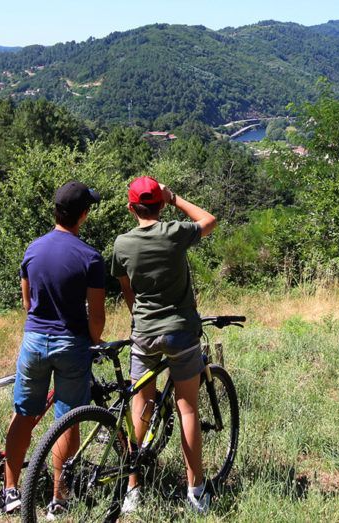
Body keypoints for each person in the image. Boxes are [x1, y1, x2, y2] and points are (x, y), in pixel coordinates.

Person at [0, 181, 106, 518]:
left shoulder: (33, 249)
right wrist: (95, 340)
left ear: (56, 211)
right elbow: (97, 318)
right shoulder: (90, 257)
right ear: (84, 215)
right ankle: (58, 497)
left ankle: (11, 489)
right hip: (71, 343)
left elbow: (27, 301)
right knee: (67, 420)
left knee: (24, 414)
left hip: (34, 340)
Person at [111, 176, 217, 515]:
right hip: (181, 332)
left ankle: (132, 489)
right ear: (159, 204)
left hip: (144, 332)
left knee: (140, 408)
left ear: (131, 208)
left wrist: (140, 315)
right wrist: (176, 198)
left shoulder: (122, 244)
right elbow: (209, 221)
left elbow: (126, 287)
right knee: (187, 408)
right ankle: (196, 490)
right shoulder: (173, 233)